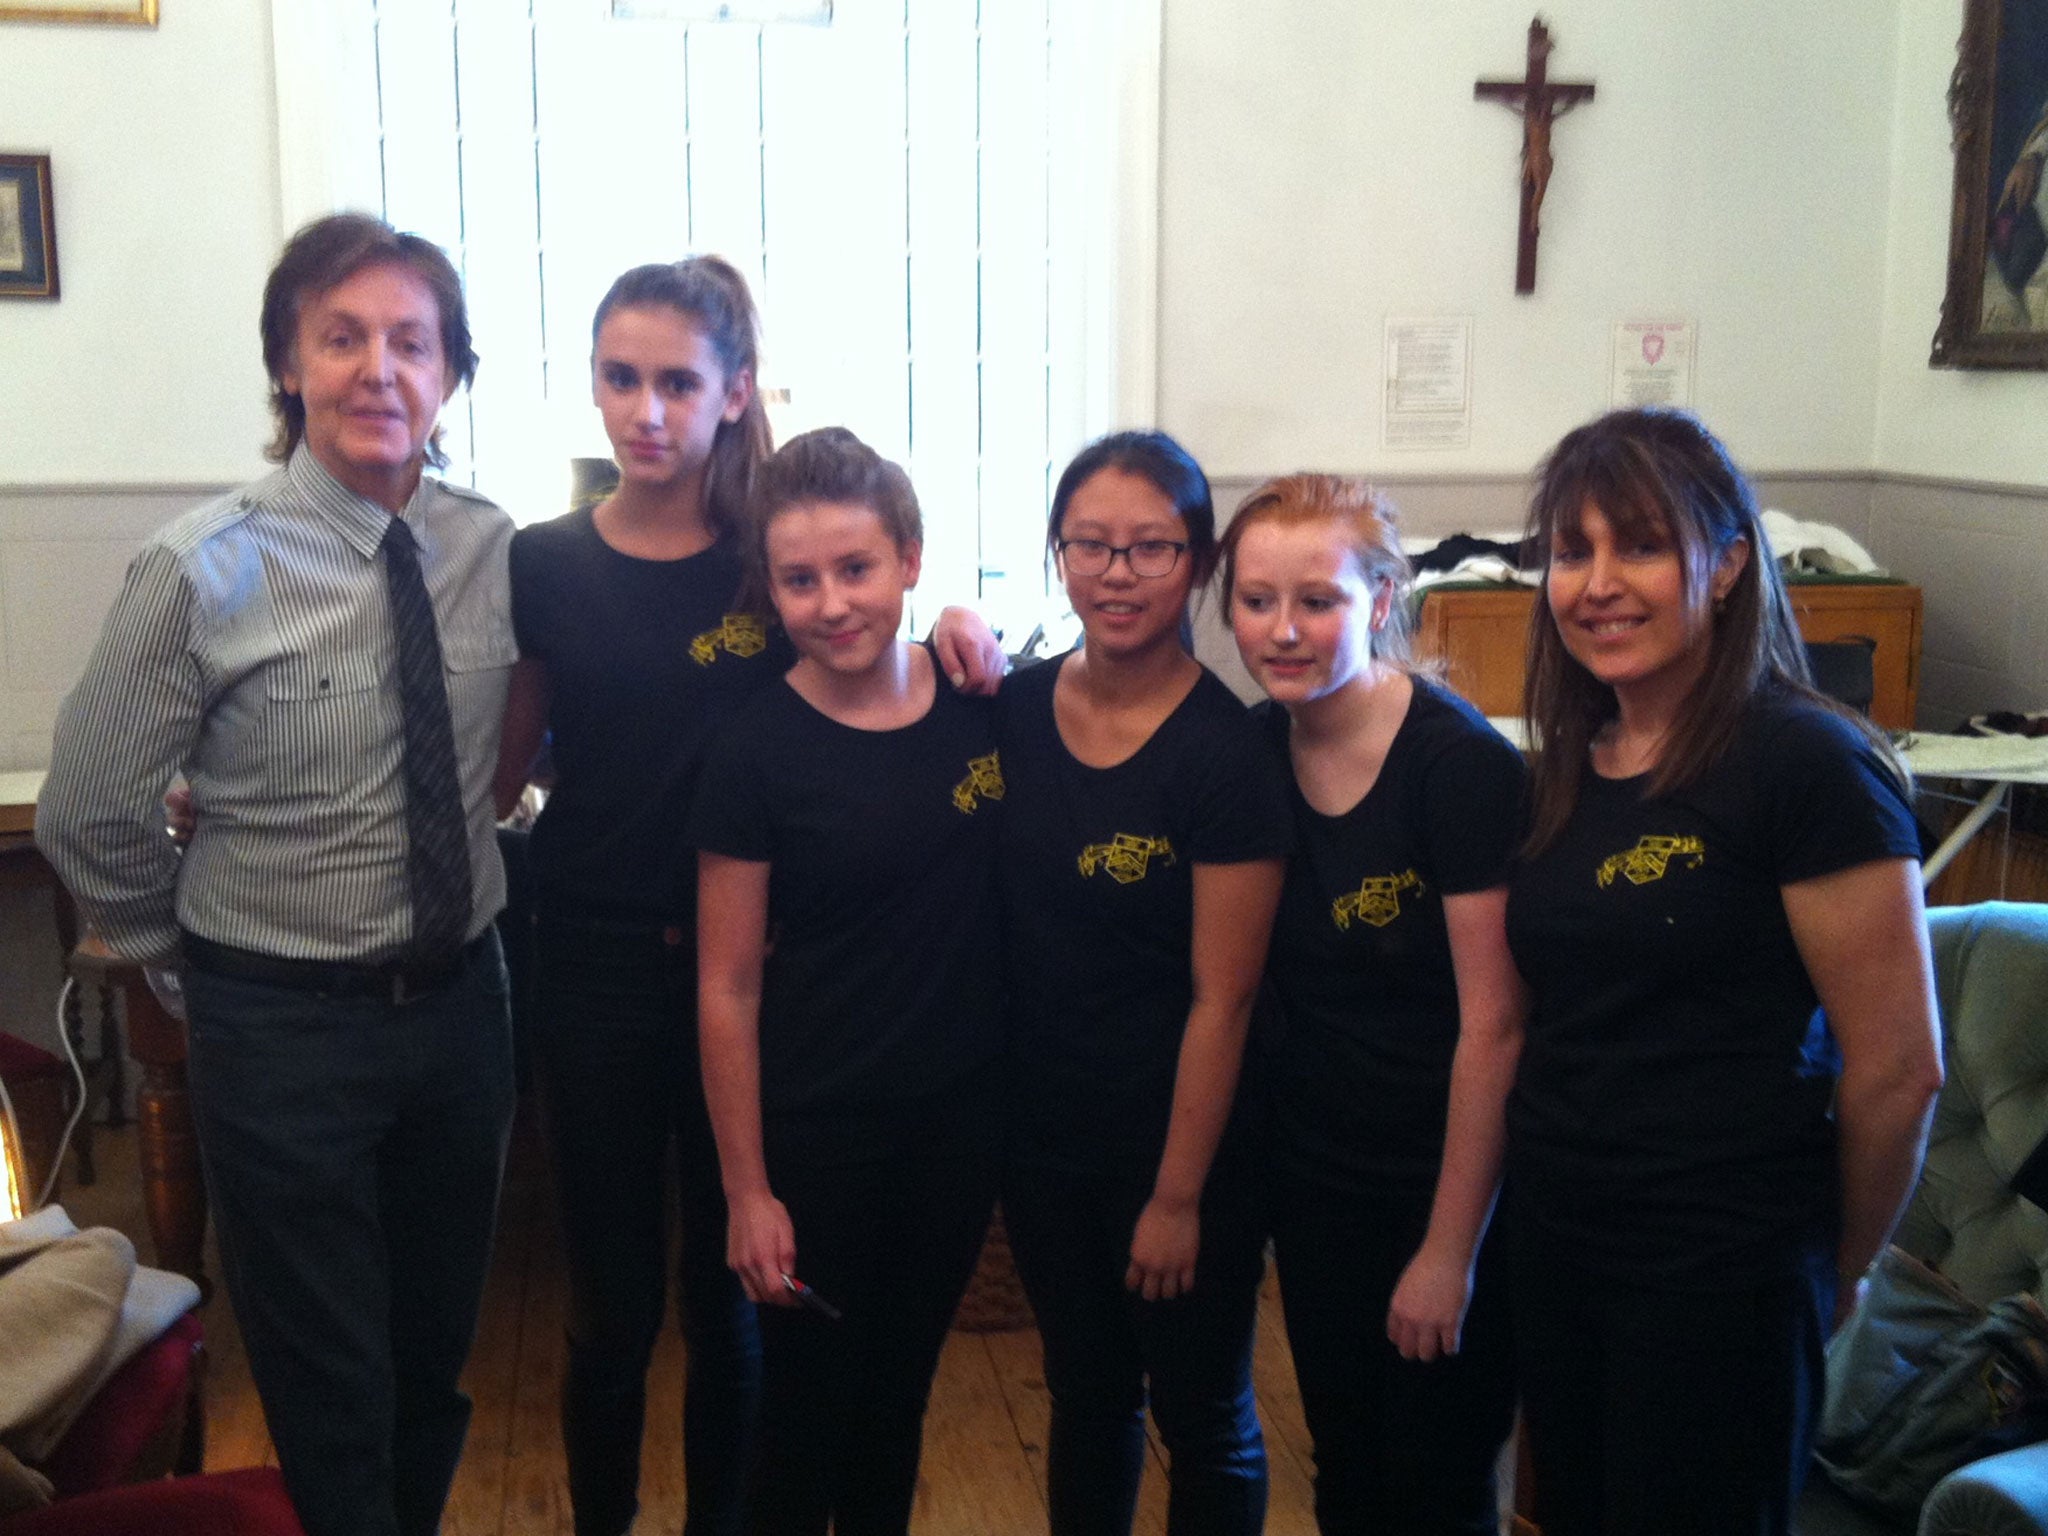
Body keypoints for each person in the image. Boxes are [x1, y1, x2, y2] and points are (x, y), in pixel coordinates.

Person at [494, 260, 1003, 1536]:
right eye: (620, 377)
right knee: (611, 1306)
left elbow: (871, 648)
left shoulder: (769, 557)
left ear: (732, 394)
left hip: (765, 979)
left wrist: (961, 622)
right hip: (602, 967)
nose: (645, 410)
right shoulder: (542, 562)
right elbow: (501, 762)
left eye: (677, 381)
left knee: (733, 1294)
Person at [37, 213, 518, 1536]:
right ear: (289, 366)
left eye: (411, 343)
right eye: (343, 337)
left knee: (434, 1357)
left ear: (451, 374)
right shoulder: (203, 565)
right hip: (282, 1020)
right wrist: (182, 960)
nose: (380, 370)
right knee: (326, 1370)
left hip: (466, 1005)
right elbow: (88, 809)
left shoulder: (492, 548)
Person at [1504, 407, 1944, 1536]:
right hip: (1558, 1244)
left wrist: (1833, 1267)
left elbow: (1899, 1069)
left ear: (1728, 562)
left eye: (1639, 544)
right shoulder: (1571, 765)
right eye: (1569, 550)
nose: (1595, 583)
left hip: (1718, 1270)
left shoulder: (1804, 761)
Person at [691, 427, 1003, 1536]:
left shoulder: (981, 703)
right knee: (804, 1418)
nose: (831, 603)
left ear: (911, 560)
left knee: (894, 1404)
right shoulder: (752, 751)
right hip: (818, 1135)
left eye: (856, 569)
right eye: (799, 579)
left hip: (956, 1132)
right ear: (769, 589)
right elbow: (725, 985)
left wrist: (972, 623)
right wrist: (747, 1190)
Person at [997, 431, 1290, 1536]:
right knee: (1085, 1395)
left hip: (1184, 1151)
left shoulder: (1227, 757)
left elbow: (1226, 998)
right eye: (1090, 546)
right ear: (1056, 555)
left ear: (1200, 564)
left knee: (1205, 1413)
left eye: (1151, 549)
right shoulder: (1013, 714)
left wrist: (1175, 1198)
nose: (1116, 574)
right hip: (1043, 1141)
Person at [1220, 475, 1525, 1535]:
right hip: (1317, 1185)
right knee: (1346, 1469)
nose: (1283, 629)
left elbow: (1494, 1024)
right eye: (1256, 601)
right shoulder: (1256, 748)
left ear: (1382, 598)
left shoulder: (1457, 769)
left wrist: (1447, 1252)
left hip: (1445, 1187)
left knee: (1435, 1485)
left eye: (1317, 600)